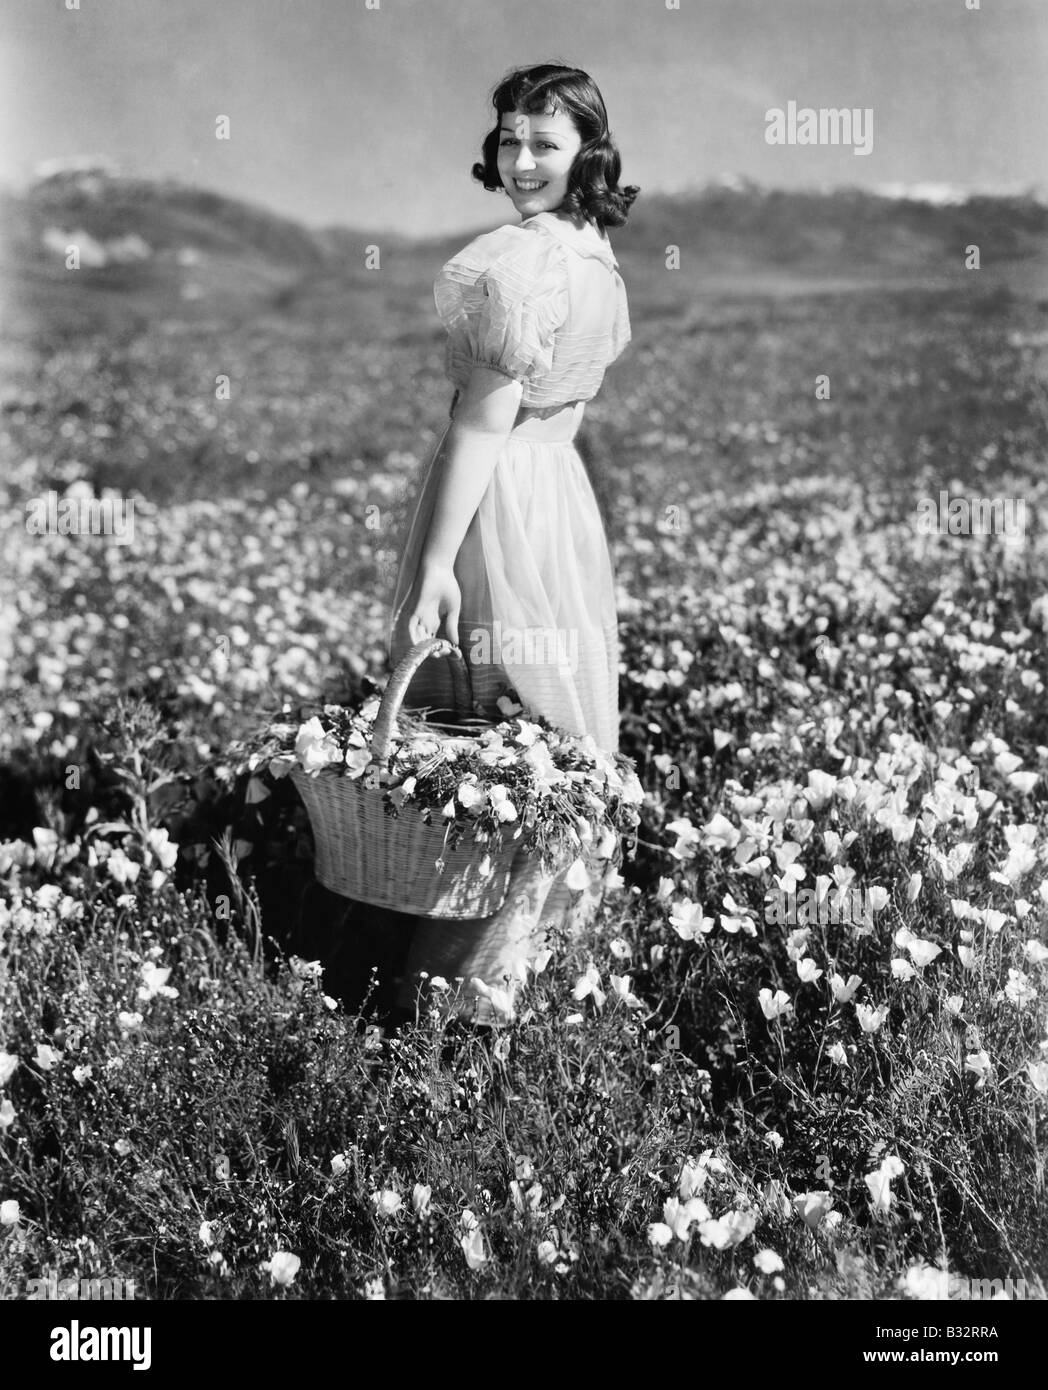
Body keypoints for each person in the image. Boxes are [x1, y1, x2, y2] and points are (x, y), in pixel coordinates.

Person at [381, 61, 638, 1025]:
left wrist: (435, 568)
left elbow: (481, 430)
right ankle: (526, 985)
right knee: (549, 739)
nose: (522, 159)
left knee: (488, 741)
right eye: (510, 139)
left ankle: (445, 1010)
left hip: (503, 504)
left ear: (587, 153)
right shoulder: (594, 252)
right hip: (561, 503)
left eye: (547, 142)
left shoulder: (523, 265)